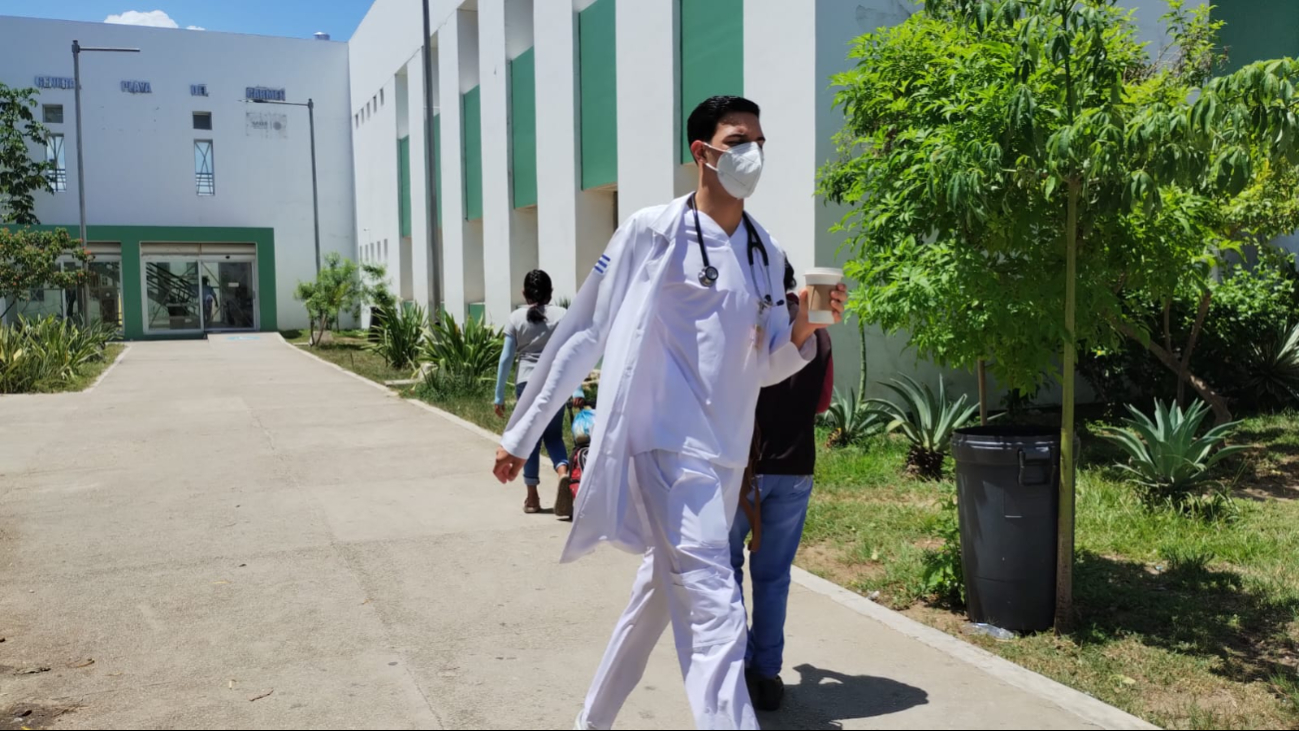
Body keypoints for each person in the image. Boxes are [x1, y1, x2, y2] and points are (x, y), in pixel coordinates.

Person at [492, 95, 847, 730]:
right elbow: (584, 332)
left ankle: (589, 723)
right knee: (716, 611)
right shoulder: (652, 230)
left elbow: (764, 366)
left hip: (724, 458)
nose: (752, 154)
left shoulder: (765, 250)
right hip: (664, 448)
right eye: (739, 140)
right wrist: (520, 433)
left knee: (653, 601)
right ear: (702, 152)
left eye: (759, 141)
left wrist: (802, 326)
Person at [730, 260, 834, 712]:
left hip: (743, 470)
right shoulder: (821, 333)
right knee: (773, 578)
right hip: (796, 469)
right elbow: (823, 403)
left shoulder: (748, 327)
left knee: (725, 569)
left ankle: (732, 672)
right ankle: (767, 676)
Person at [493, 270, 573, 517]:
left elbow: (506, 358)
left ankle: (532, 498)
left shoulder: (516, 317)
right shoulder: (562, 315)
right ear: (551, 292)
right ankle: (563, 474)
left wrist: (498, 395)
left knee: (531, 440)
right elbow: (573, 352)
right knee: (554, 436)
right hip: (555, 383)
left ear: (524, 294)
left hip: (526, 383)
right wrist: (576, 386)